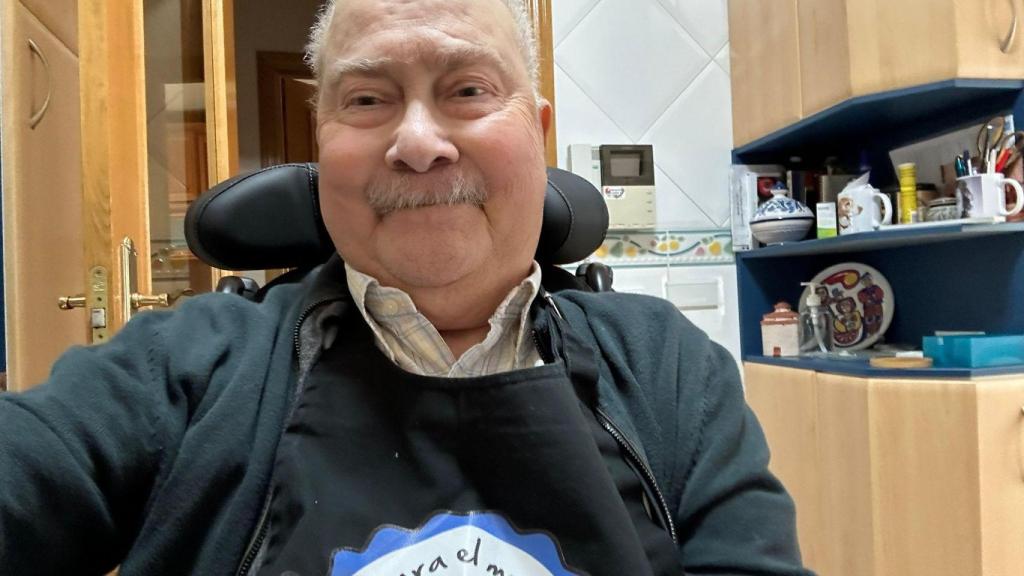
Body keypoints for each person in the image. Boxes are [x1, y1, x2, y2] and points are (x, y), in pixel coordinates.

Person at [0, 1, 814, 574]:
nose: (418, 143)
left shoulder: (669, 366)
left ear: (536, 135)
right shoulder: (184, 366)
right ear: (322, 145)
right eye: (367, 99)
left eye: (466, 90)